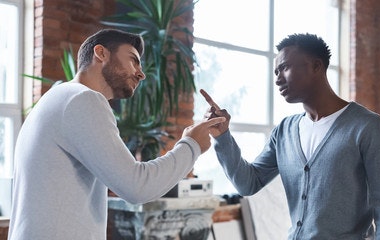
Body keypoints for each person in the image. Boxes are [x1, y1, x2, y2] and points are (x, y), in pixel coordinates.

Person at [8, 29, 225, 240]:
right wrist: (191, 145)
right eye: (133, 59)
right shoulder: (83, 99)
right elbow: (137, 186)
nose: (141, 73)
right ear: (101, 53)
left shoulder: (57, 97)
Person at [201, 33, 380, 239]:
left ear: (316, 66)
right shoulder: (284, 131)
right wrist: (223, 136)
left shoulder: (366, 126)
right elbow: (248, 183)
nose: (278, 78)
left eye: (285, 68)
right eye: (275, 71)